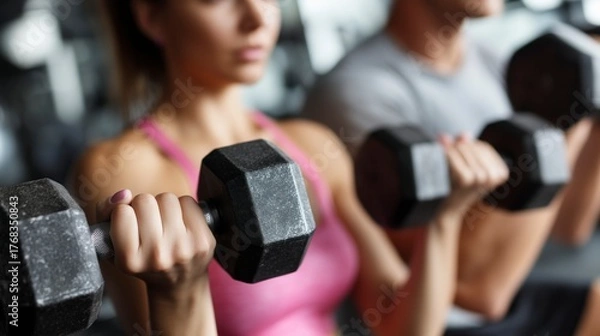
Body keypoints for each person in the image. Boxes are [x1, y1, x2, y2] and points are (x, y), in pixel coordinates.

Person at [68, 1, 506, 335]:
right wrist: (178, 292)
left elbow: (399, 323)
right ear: (151, 17)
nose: (257, 18)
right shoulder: (120, 171)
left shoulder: (312, 143)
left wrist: (443, 220)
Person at [302, 0, 600, 335]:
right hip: (451, 322)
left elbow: (569, 228)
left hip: (521, 294)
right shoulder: (356, 92)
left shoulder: (491, 60)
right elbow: (478, 291)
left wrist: (585, 114)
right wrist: (557, 124)